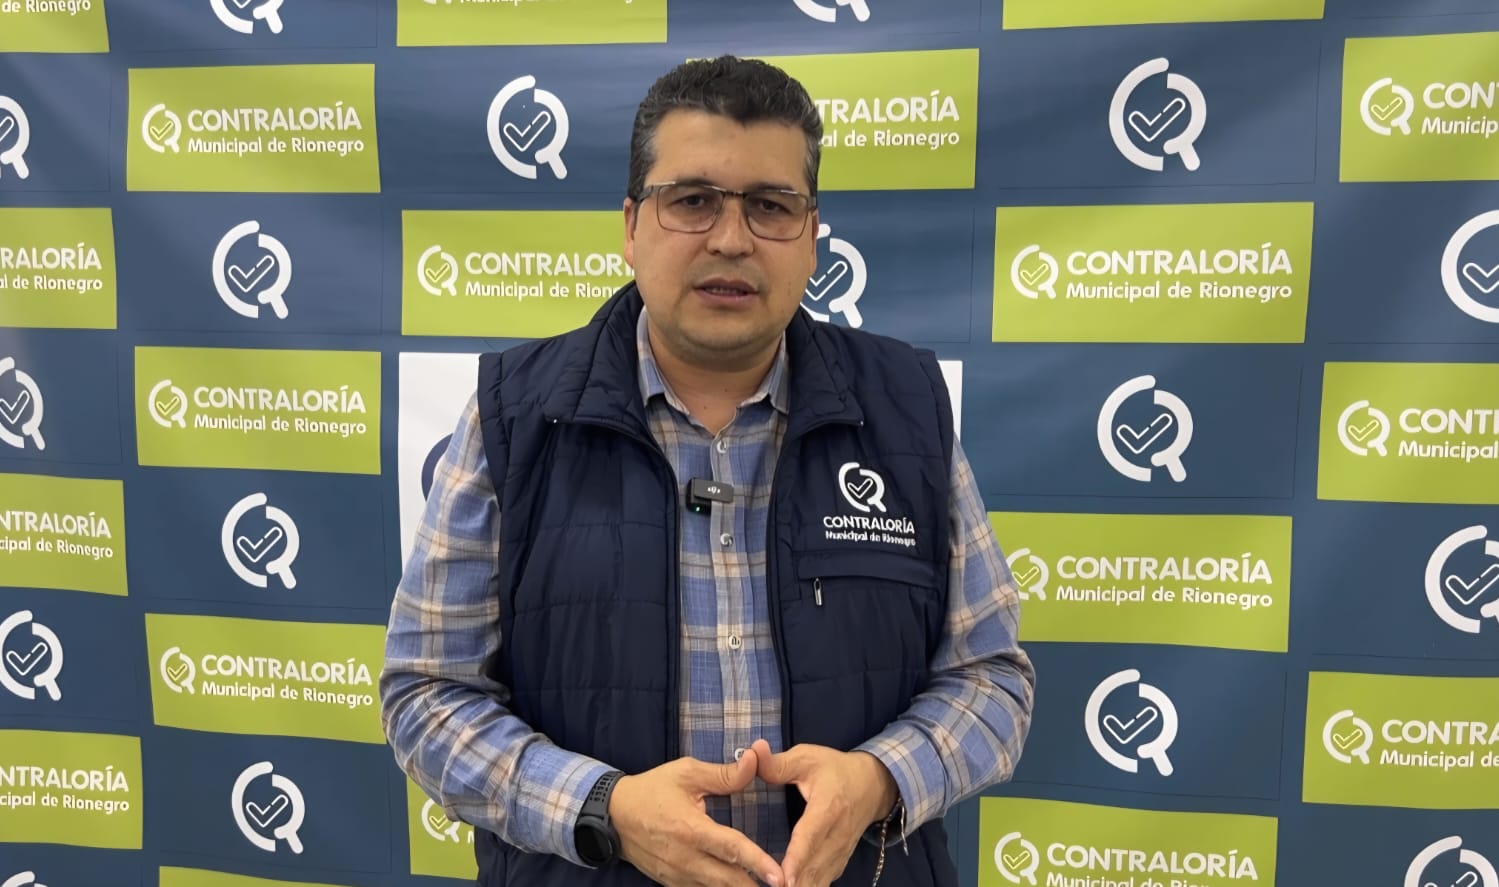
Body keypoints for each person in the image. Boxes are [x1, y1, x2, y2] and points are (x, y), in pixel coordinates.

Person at [381, 54, 1035, 887]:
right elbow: (427, 695)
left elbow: (990, 677)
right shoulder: (512, 416)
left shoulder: (907, 406)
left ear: (812, 237)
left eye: (771, 206)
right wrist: (602, 808)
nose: (731, 238)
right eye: (692, 200)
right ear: (631, 227)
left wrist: (879, 780)